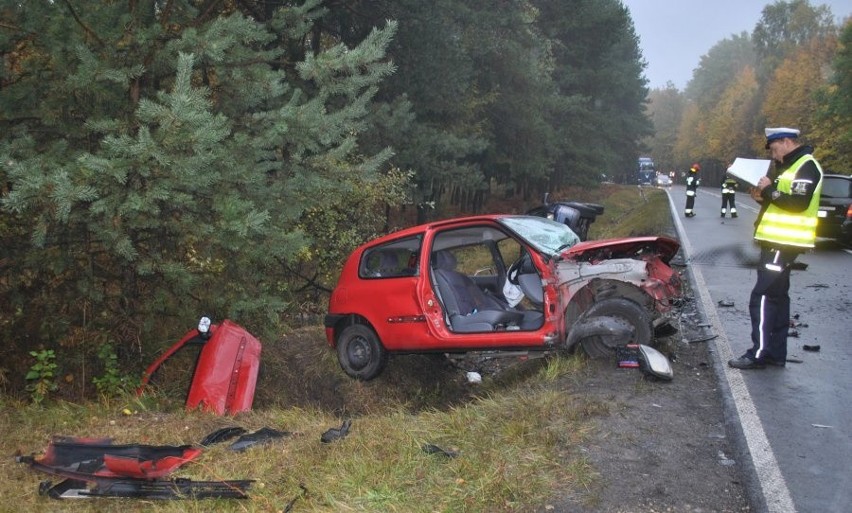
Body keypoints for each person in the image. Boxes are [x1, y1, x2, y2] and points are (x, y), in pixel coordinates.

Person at [728, 127, 823, 370]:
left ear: (786, 141)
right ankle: (775, 353)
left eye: (774, 148)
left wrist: (770, 189)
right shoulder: (791, 167)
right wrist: (764, 198)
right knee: (778, 297)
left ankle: (757, 354)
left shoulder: (806, 166)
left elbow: (798, 204)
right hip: (777, 242)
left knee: (761, 297)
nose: (773, 155)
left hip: (783, 243)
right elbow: (783, 200)